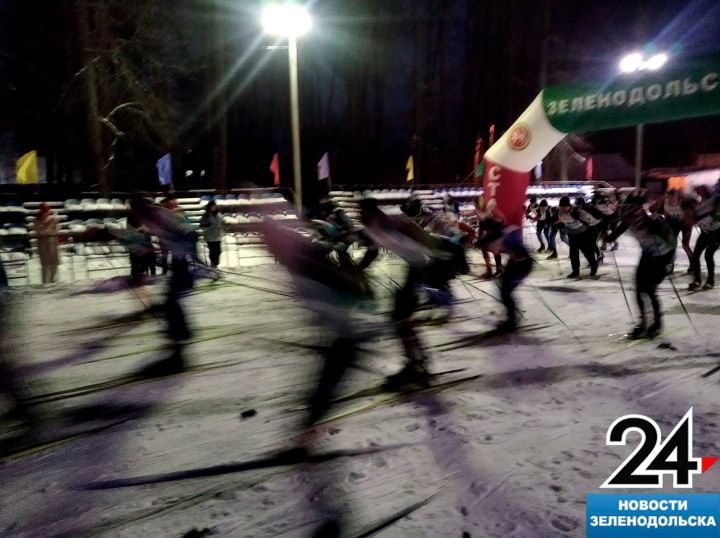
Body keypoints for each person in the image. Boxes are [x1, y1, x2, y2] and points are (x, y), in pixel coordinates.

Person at [360, 197, 466, 386]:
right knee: (399, 317)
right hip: (417, 265)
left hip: (429, 261)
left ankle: (416, 364)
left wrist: (438, 254)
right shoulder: (372, 226)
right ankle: (417, 361)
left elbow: (416, 233)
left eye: (362, 211)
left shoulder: (389, 221)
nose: (359, 215)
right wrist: (358, 271)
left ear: (372, 210)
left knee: (400, 316)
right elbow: (372, 251)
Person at [129, 197, 198, 371]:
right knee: (171, 300)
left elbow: (180, 231)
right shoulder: (154, 214)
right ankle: (179, 335)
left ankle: (179, 336)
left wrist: (183, 249)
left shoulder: (155, 214)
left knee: (171, 301)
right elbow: (151, 233)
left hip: (181, 258)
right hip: (179, 258)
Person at [606, 190, 676, 338]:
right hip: (647, 254)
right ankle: (643, 323)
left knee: (649, 290)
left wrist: (669, 262)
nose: (630, 214)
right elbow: (624, 225)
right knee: (639, 289)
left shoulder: (654, 222)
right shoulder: (629, 217)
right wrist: (611, 236)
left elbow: (672, 241)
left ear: (639, 209)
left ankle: (657, 324)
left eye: (634, 209)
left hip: (661, 256)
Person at [477, 217, 532, 332]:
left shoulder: (505, 235)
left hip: (523, 264)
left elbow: (491, 239)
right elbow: (486, 240)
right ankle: (511, 315)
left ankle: (512, 321)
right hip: (514, 263)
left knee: (506, 291)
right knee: (503, 289)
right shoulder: (499, 233)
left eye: (487, 231)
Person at [557, 196, 598, 278]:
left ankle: (594, 266)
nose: (563, 208)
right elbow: (562, 221)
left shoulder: (578, 212)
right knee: (573, 254)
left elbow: (591, 220)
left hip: (583, 234)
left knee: (587, 252)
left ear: (569, 205)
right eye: (561, 207)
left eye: (565, 206)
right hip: (572, 235)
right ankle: (575, 271)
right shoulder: (560, 212)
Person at [655, 189, 695, 273]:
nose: (672, 199)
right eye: (670, 196)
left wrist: (688, 224)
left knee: (685, 245)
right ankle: (670, 265)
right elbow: (666, 214)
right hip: (674, 224)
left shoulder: (683, 203)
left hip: (685, 225)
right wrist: (666, 225)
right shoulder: (665, 202)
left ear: (677, 197)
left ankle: (694, 264)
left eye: (674, 197)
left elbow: (690, 214)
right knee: (671, 245)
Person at [688, 186, 720, 290]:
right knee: (695, 256)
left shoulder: (712, 204)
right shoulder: (696, 211)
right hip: (706, 233)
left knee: (708, 255)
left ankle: (710, 280)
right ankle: (697, 280)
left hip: (716, 233)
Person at [474, 196, 503, 276]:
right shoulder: (479, 211)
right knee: (484, 247)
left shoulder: (489, 207)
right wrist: (480, 236)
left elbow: (500, 219)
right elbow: (481, 224)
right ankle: (489, 268)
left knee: (495, 250)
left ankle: (499, 269)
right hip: (489, 231)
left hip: (495, 230)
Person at [34, 203, 60, 284]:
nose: (47, 213)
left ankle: (53, 281)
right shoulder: (36, 220)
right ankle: (45, 282)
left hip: (52, 243)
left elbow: (56, 230)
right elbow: (41, 231)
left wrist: (55, 224)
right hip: (43, 244)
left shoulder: (52, 218)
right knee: (45, 265)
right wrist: (50, 223)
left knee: (54, 264)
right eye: (45, 211)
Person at [200, 200, 223, 268]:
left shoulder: (219, 215)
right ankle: (213, 264)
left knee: (218, 251)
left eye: (214, 206)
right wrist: (207, 226)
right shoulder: (206, 216)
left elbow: (223, 222)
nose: (214, 207)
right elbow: (201, 225)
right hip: (209, 237)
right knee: (213, 251)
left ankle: (215, 263)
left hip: (218, 236)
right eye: (212, 206)